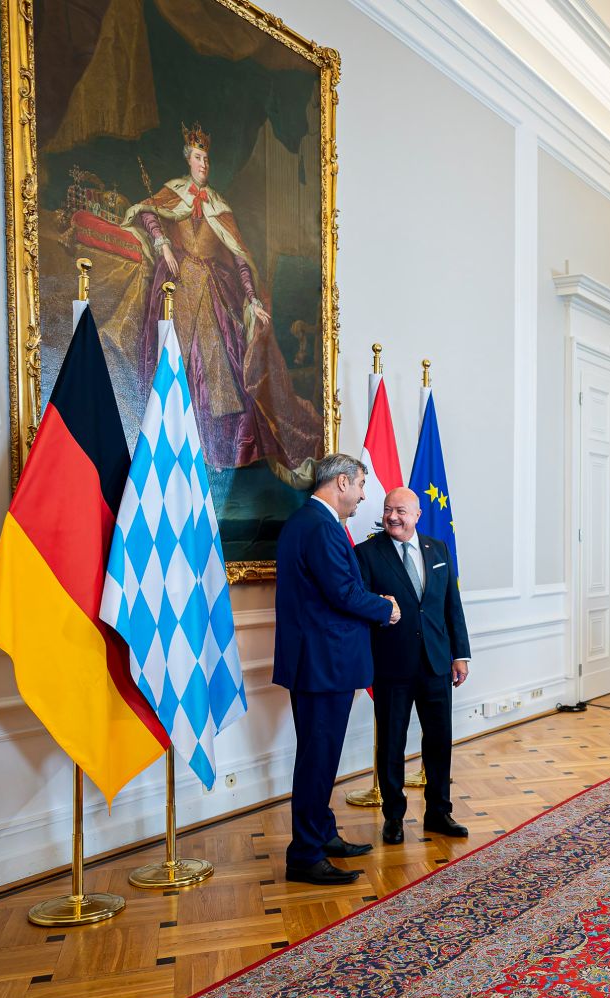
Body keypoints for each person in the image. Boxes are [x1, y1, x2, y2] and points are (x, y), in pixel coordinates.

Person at [123, 123, 322, 484]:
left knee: (215, 367)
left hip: (211, 290)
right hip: (178, 288)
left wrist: (252, 298)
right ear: (188, 160)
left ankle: (213, 450)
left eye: (207, 159)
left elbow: (241, 257)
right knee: (178, 361)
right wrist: (162, 244)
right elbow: (147, 212)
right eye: (199, 158)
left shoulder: (219, 206)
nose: (204, 165)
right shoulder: (174, 192)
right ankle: (173, 443)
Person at [272, 454, 399, 885]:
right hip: (323, 664)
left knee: (319, 755)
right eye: (361, 485)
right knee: (317, 759)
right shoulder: (320, 527)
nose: (365, 495)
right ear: (341, 482)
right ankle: (305, 855)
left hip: (318, 662)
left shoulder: (309, 522)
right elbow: (343, 593)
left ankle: (322, 834)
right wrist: (387, 608)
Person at [354, 487, 472, 842]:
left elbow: (451, 604)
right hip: (392, 665)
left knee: (439, 741)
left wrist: (460, 654)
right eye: (388, 510)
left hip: (437, 663)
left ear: (417, 514)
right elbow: (361, 607)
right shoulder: (366, 554)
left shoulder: (437, 549)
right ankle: (393, 817)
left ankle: (439, 812)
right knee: (391, 743)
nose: (393, 516)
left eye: (401, 511)